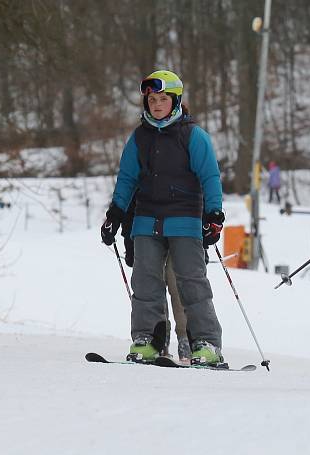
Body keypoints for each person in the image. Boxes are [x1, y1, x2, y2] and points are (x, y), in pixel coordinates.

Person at [100, 70, 226, 366]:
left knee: (191, 283)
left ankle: (206, 343)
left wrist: (214, 214)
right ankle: (148, 341)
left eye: (162, 99)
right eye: (152, 99)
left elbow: (210, 177)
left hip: (185, 220)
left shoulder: (192, 135)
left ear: (176, 100)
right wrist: (115, 213)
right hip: (146, 220)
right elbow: (127, 178)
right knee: (145, 283)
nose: (156, 105)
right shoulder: (139, 137)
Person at [122, 198, 192, 363]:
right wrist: (129, 240)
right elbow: (131, 204)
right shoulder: (144, 173)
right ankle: (160, 340)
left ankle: (185, 340)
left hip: (181, 226)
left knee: (177, 284)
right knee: (153, 284)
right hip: (148, 228)